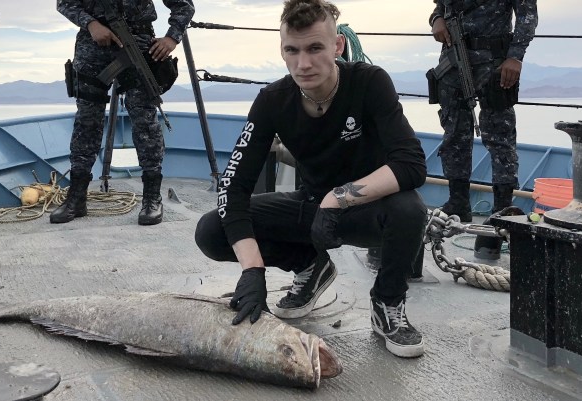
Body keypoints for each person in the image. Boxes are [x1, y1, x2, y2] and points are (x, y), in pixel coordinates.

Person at [194, 0, 429, 358]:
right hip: (309, 207)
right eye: (293, 50)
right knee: (211, 232)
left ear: (336, 46)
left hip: (366, 210)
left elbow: (411, 163)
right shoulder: (272, 100)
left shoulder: (369, 82)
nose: (303, 64)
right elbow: (233, 187)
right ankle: (309, 265)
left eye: (315, 48)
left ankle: (386, 303)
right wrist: (253, 270)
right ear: (282, 51)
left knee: (410, 210)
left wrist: (338, 198)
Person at [53, 0, 195, 225]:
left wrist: (171, 38)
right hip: (93, 46)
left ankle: (151, 198)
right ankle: (76, 198)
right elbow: (65, 3)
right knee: (86, 121)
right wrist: (90, 24)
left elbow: (184, 5)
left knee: (144, 120)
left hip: (137, 45)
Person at [428, 0, 538, 223]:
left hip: (495, 63)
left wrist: (515, 56)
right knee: (454, 133)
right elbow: (442, 8)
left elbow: (527, 16)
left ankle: (502, 209)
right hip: (453, 60)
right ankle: (458, 204)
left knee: (500, 137)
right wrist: (436, 20)